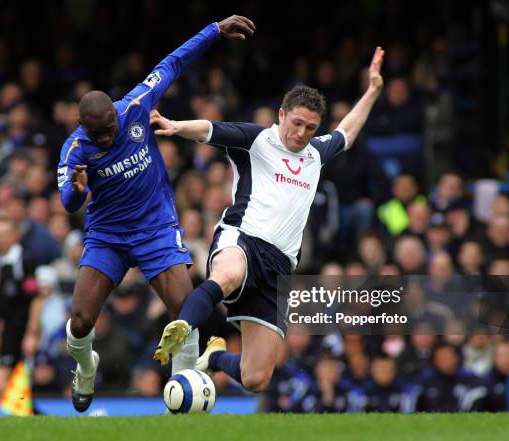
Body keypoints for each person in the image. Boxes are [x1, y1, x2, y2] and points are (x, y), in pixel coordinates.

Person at [150, 47, 385, 393]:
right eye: (296, 123)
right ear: (281, 115)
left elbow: (347, 132)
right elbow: (210, 130)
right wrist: (174, 125)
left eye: (310, 127)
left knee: (255, 377)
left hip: (278, 267)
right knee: (227, 275)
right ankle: (183, 329)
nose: (302, 132)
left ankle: (212, 358)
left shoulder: (315, 154)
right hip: (242, 238)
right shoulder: (257, 139)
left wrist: (373, 90)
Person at [56, 15, 256, 412]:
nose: (109, 137)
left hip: (155, 229)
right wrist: (76, 195)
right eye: (101, 135)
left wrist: (215, 30)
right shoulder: (74, 150)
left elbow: (174, 61)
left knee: (186, 316)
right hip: (107, 236)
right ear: (84, 129)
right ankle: (86, 367)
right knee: (80, 321)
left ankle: (181, 400)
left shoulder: (135, 103)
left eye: (112, 128)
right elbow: (68, 201)